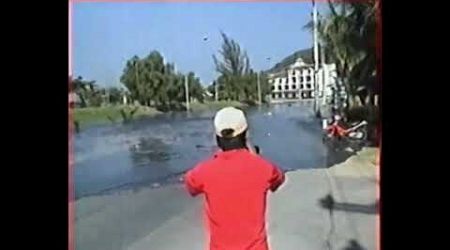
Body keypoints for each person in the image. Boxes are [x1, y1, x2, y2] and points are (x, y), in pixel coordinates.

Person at [184, 107, 285, 250]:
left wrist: (216, 158)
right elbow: (279, 179)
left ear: (217, 137)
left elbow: (190, 185)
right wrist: (254, 156)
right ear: (246, 134)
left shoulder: (205, 171)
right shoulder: (263, 167)